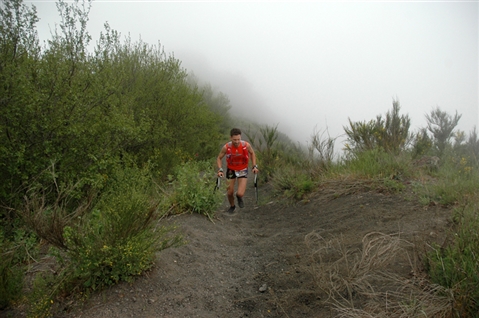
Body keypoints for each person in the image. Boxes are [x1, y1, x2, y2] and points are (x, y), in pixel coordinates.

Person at [217, 128, 259, 213]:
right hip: (231, 170)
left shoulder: (246, 145)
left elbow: (252, 153)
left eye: (238, 139)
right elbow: (219, 158)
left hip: (242, 169)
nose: (236, 141)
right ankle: (232, 206)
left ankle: (239, 197)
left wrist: (254, 166)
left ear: (241, 137)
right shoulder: (227, 147)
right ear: (230, 138)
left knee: (240, 193)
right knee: (229, 192)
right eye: (234, 140)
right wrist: (220, 169)